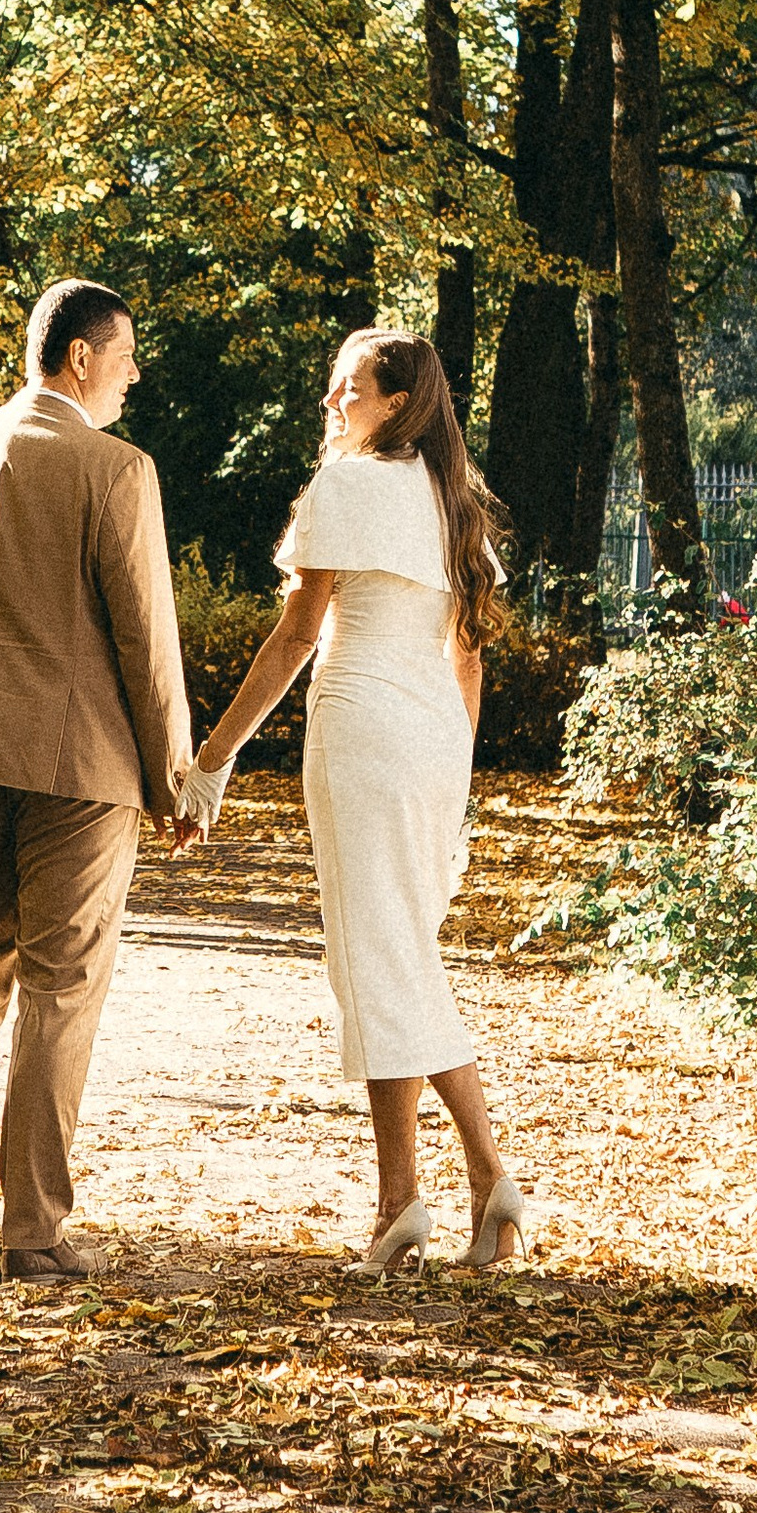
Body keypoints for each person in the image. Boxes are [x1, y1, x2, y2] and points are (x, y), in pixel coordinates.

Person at [179, 330, 528, 1274]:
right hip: (430, 746)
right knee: (390, 958)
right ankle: (411, 1199)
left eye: (350, 390)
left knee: (379, 959)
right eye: (333, 389)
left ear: (399, 402)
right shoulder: (455, 506)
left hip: (365, 730)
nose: (332, 403)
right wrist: (455, 782)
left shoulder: (347, 486)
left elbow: (296, 636)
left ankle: (469, 1177)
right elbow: (470, 658)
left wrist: (213, 756)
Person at [0, 277, 192, 1284]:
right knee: (59, 993)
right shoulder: (115, 469)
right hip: (79, 767)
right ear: (77, 359)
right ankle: (30, 1231)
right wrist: (172, 778)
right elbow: (146, 638)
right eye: (127, 352)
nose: (137, 373)